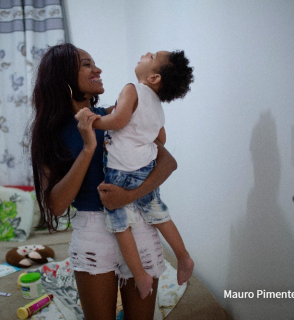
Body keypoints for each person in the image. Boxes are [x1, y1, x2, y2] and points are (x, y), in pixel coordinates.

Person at [30, 43, 177, 320]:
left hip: (139, 227)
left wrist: (128, 196)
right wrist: (87, 149)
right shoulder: (50, 134)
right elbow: (58, 206)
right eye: (86, 64)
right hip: (92, 233)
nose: (97, 69)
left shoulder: (117, 116)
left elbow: (168, 162)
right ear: (62, 77)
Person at [76, 50, 195, 299]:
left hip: (121, 170)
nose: (146, 53)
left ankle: (139, 274)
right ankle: (183, 257)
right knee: (158, 213)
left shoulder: (132, 89)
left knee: (119, 224)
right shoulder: (157, 106)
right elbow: (160, 138)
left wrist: (93, 121)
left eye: (151, 57)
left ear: (153, 78)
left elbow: (118, 121)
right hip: (145, 169)